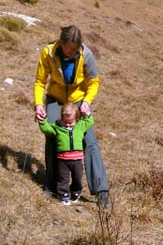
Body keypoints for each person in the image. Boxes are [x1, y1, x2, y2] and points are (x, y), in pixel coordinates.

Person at [34, 25, 110, 207]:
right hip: (55, 98)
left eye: (74, 49)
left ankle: (101, 190)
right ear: (61, 43)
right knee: (53, 136)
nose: (70, 52)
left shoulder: (87, 56)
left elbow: (93, 81)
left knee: (89, 141)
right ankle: (52, 185)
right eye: (68, 48)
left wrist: (87, 101)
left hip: (78, 100)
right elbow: (40, 81)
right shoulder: (48, 53)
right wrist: (38, 104)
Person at [39, 103, 94, 205]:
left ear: (77, 118)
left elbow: (89, 121)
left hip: (77, 160)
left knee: (77, 177)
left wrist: (87, 113)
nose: (68, 124)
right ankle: (64, 195)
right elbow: (46, 129)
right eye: (66, 122)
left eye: (71, 122)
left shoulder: (80, 125)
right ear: (62, 118)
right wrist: (42, 121)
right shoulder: (57, 127)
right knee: (63, 179)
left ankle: (76, 192)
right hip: (62, 160)